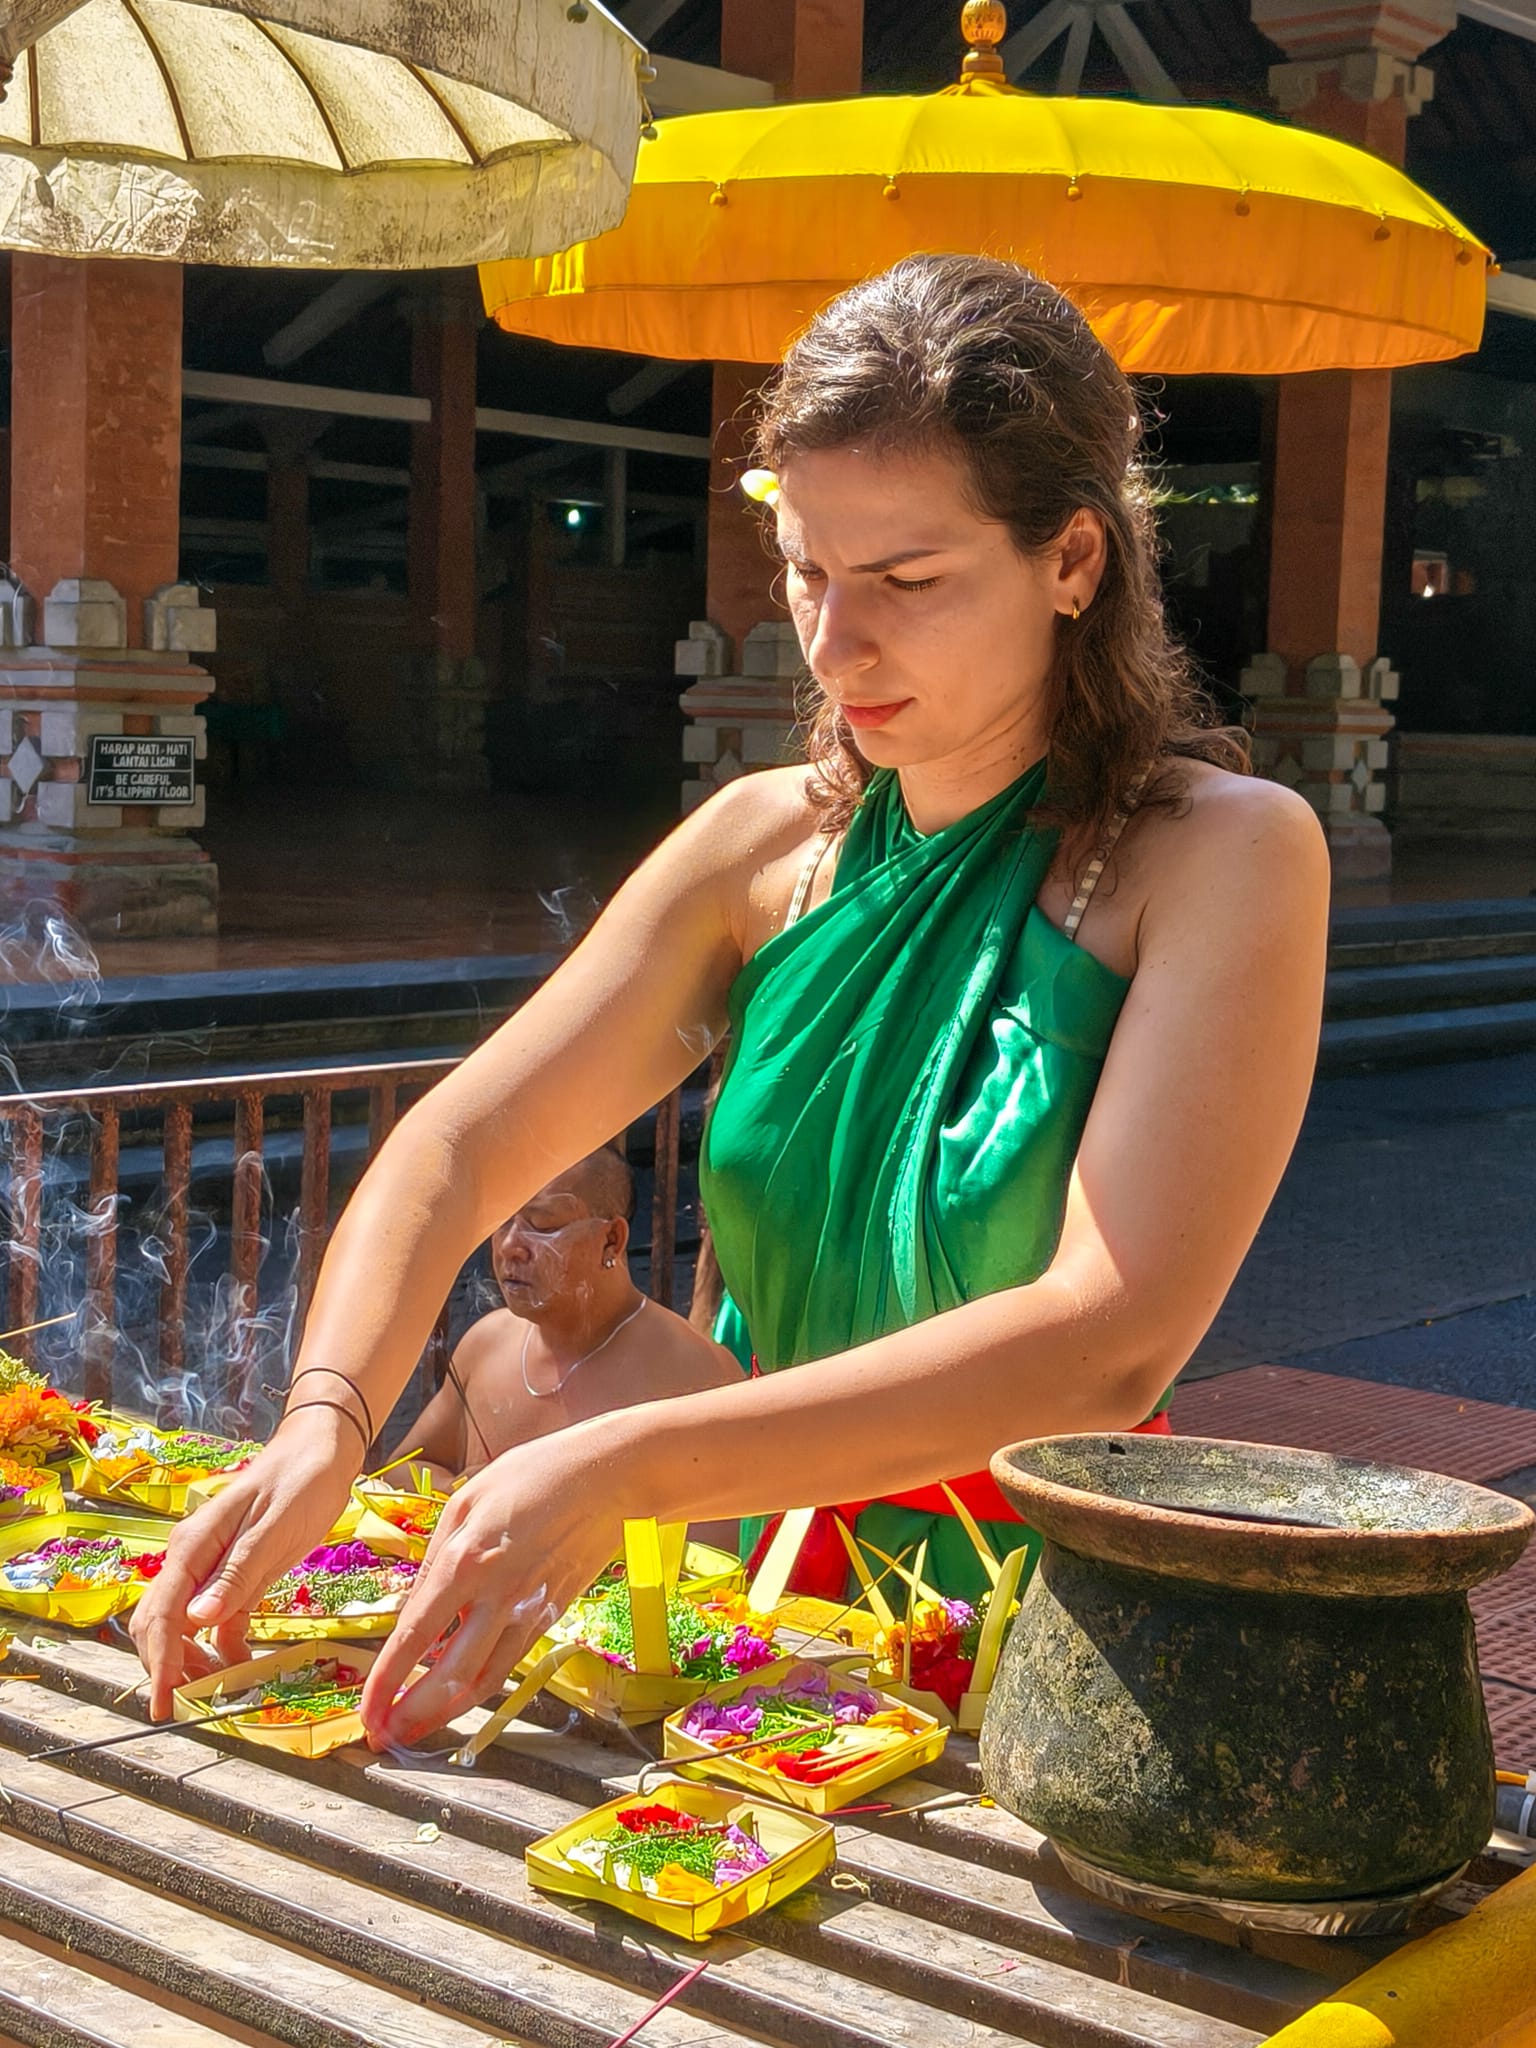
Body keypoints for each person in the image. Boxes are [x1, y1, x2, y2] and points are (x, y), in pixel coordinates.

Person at [133, 255, 1330, 1751]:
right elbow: (457, 1150)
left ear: (1074, 560)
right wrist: (323, 1419)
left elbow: (1107, 1340)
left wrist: (630, 1462)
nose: (834, 646)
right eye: (808, 572)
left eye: (907, 581)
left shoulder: (1221, 856)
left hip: (1057, 1626)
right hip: (755, 1615)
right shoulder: (769, 847)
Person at [400, 1146, 741, 1484]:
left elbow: (729, 1528)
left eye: (542, 1225)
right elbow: (401, 1473)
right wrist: (465, 1496)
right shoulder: (487, 1343)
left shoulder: (692, 1373)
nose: (509, 1246)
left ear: (611, 1240)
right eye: (502, 1220)